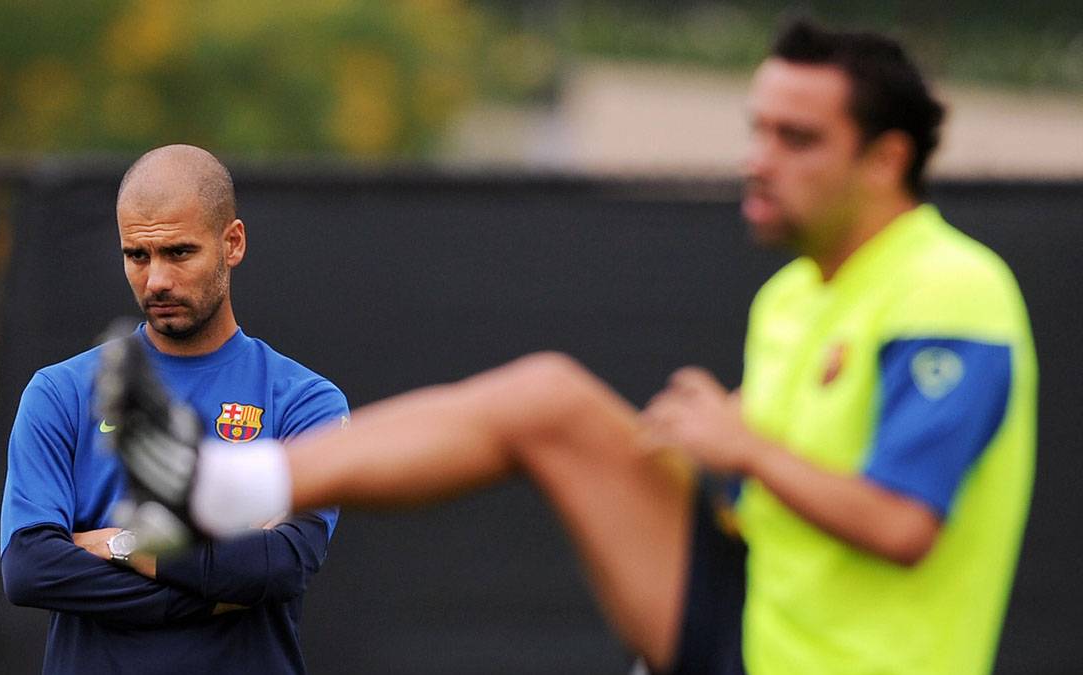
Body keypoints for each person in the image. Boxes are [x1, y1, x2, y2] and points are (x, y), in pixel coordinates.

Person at [101, 20, 1036, 675]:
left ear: (886, 159)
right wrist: (719, 458)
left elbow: (901, 526)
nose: (759, 158)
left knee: (549, 398)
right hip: (755, 629)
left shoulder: (949, 289)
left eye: (798, 138)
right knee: (545, 400)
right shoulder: (794, 296)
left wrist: (746, 446)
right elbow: (777, 502)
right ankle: (223, 491)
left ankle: (223, 491)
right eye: (757, 129)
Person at [0, 145, 349, 675]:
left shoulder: (305, 400)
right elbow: (30, 569)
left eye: (179, 252)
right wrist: (213, 592)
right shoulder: (60, 392)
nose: (157, 280)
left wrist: (120, 544)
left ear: (233, 243)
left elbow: (278, 568)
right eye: (137, 256)